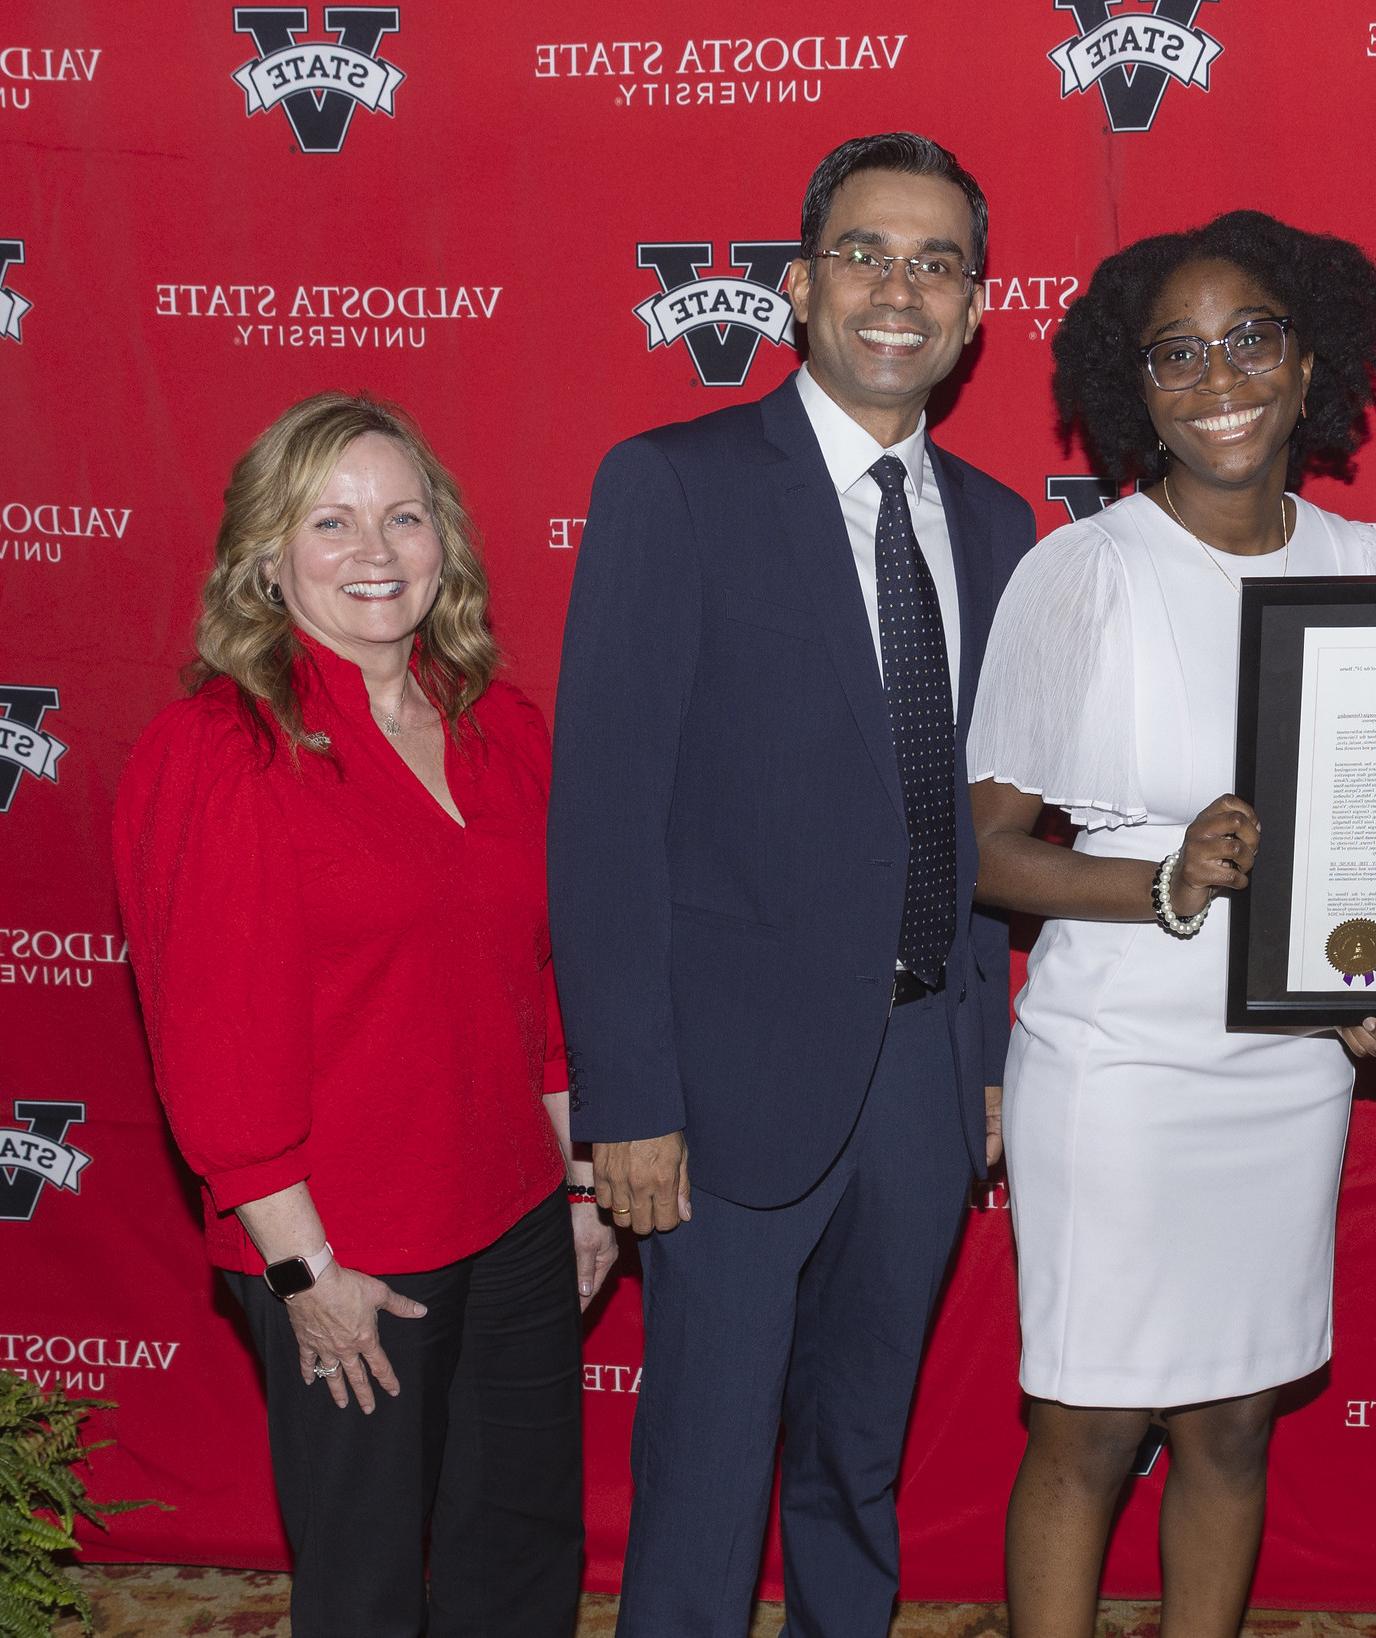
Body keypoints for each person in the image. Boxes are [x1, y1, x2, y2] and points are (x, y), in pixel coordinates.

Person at [548, 132, 1034, 1635]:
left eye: (936, 263)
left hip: (922, 1067)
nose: (901, 289)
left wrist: (987, 1048)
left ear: (971, 310)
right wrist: (625, 1094)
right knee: (701, 1471)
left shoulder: (1007, 525)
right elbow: (604, 813)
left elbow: (991, 820)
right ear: (800, 282)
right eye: (867, 254)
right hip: (719, 1083)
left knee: (856, 1457)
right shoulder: (671, 486)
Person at [967, 211, 1376, 1637]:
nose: (1216, 375)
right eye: (1175, 351)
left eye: (1249, 340)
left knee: (1233, 1420)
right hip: (1115, 1065)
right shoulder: (1082, 571)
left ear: (1309, 365)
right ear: (1134, 385)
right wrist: (1161, 880)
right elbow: (981, 853)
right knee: (1090, 1429)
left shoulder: (1373, 573)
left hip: (1284, 1069)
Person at [113, 392, 616, 1638]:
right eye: (329, 523)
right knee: (370, 1582)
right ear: (264, 558)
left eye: (402, 516)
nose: (375, 552)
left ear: (444, 537)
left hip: (513, 1217)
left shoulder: (502, 726)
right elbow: (212, 1049)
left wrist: (578, 1186)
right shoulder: (220, 751)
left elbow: (547, 985)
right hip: (346, 1250)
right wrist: (304, 1270)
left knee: (522, 1552)